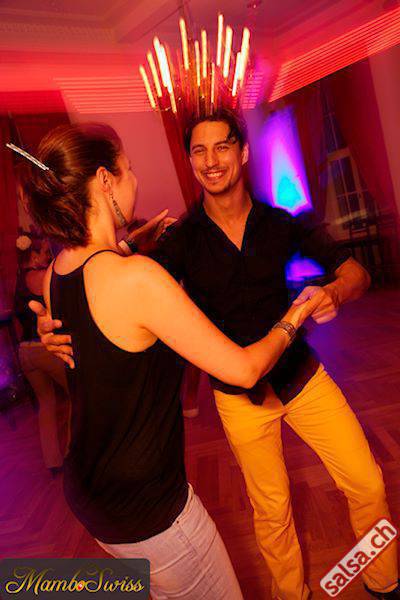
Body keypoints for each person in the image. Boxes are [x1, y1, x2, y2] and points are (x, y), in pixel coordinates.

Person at [35, 109, 400, 600]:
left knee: (368, 483)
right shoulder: (178, 241)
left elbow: (357, 273)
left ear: (243, 153)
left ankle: (382, 580)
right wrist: (56, 325)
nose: (210, 160)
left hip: (302, 378)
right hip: (238, 398)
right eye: (198, 150)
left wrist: (333, 292)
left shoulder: (281, 221)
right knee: (271, 511)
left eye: (222, 146)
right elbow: (113, 289)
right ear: (190, 161)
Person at [14, 232, 68, 476]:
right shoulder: (42, 276)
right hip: (44, 349)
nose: (48, 256)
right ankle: (74, 454)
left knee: (46, 403)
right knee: (78, 395)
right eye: (45, 252)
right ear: (33, 255)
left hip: (25, 352)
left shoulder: (18, 281)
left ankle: (53, 461)